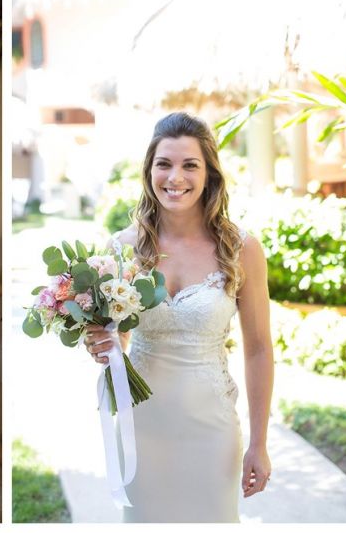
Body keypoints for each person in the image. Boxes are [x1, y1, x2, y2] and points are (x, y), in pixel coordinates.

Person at [84, 112, 274, 522]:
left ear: (209, 174)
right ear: (149, 170)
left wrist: (259, 442)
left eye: (190, 165)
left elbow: (258, 350)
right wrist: (104, 344)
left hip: (211, 430)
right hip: (142, 430)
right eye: (164, 164)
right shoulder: (123, 248)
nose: (176, 177)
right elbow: (118, 339)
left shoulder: (242, 248)